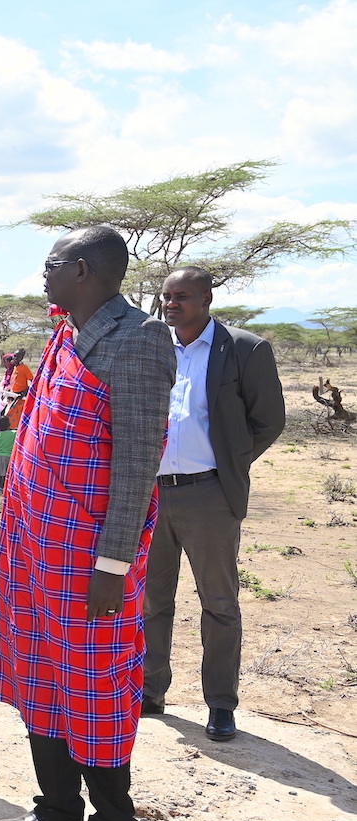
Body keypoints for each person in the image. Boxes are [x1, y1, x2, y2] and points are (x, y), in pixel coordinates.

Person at [0, 225, 175, 821]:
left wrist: (112, 567)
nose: (42, 277)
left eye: (51, 266)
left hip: (86, 564)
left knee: (93, 688)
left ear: (85, 271)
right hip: (35, 555)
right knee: (40, 677)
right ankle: (57, 811)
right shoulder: (66, 336)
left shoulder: (138, 341)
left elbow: (135, 467)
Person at [141, 266, 285, 741]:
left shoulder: (244, 349)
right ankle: (149, 690)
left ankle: (221, 705)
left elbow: (268, 421)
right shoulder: (153, 347)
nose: (171, 303)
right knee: (151, 601)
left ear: (206, 298)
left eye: (182, 295)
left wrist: (230, 465)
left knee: (219, 604)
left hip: (210, 496)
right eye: (166, 296)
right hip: (154, 493)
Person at [0, 349, 33, 425]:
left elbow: (33, 381)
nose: (15, 358)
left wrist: (25, 391)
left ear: (21, 358)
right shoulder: (14, 368)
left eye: (17, 357)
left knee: (15, 419)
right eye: (14, 356)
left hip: (20, 397)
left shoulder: (24, 368)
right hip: (13, 395)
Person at [0, 415, 15, 487]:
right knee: (6, 473)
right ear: (9, 424)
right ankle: (5, 487)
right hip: (8, 457)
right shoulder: (13, 433)